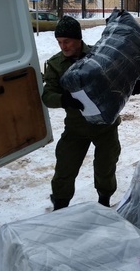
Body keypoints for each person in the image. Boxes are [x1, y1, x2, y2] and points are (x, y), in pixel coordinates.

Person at [41, 16, 122, 210]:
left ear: (78, 38)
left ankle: (104, 202)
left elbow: (117, 77)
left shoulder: (98, 55)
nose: (63, 46)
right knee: (65, 168)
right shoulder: (55, 64)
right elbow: (47, 95)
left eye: (66, 41)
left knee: (105, 168)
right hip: (76, 128)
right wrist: (64, 100)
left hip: (105, 126)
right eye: (59, 42)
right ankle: (60, 204)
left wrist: (131, 85)